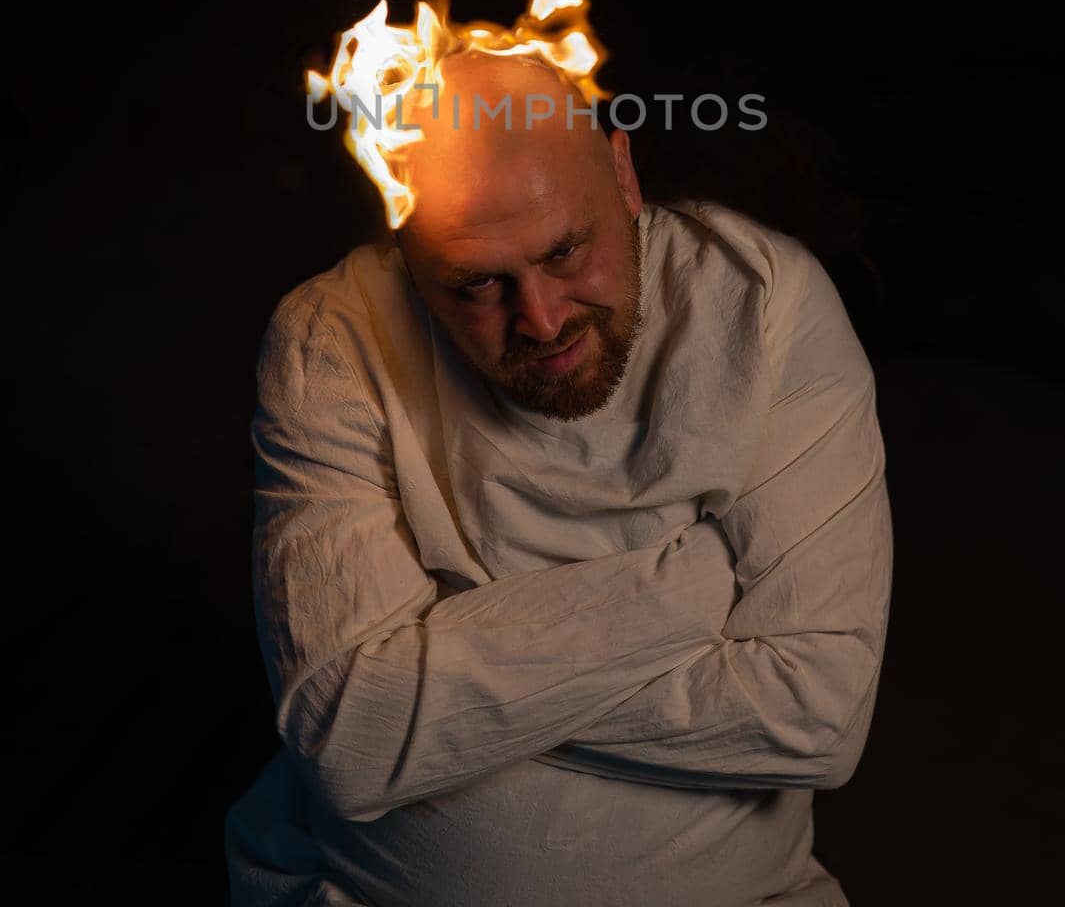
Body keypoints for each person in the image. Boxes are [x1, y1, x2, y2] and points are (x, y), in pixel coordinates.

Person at [225, 47, 893, 907]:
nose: (539, 318)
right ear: (404, 241)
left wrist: (440, 686)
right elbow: (350, 739)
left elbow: (817, 715)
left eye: (567, 252)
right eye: (476, 285)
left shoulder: (763, 298)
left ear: (622, 172)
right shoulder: (331, 334)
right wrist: (691, 586)